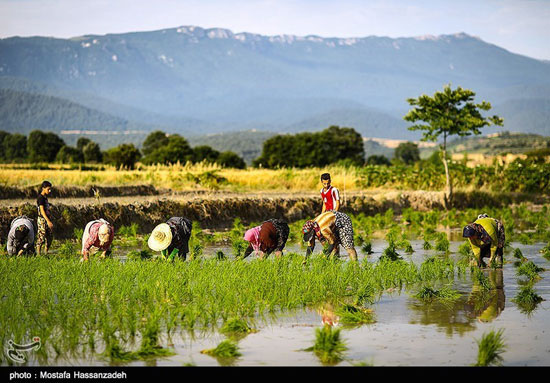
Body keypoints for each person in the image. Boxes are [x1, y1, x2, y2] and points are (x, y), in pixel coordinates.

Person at [35, 181, 54, 256]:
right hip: (42, 220)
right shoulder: (41, 198)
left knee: (49, 236)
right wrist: (48, 221)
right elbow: (42, 211)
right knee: (41, 237)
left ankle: (46, 253)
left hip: (47, 219)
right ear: (43, 188)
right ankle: (38, 254)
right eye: (48, 189)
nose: (50, 191)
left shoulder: (45, 197)